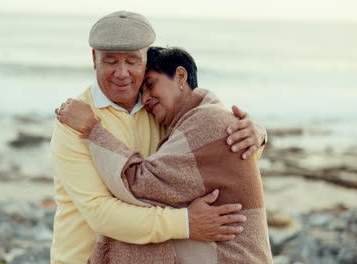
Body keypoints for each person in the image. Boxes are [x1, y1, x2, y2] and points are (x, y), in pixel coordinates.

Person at [50, 11, 267, 264]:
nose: (122, 73)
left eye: (132, 61)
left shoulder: (160, 110)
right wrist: (186, 223)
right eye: (111, 61)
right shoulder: (75, 121)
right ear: (94, 58)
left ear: (144, 59)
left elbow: (211, 156)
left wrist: (256, 135)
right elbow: (101, 212)